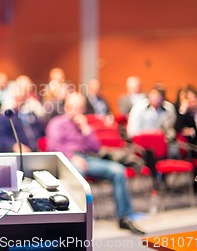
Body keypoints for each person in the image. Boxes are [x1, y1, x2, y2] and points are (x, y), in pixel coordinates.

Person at [46, 92, 145, 234]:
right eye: (74, 107)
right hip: (66, 161)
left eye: (80, 108)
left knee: (118, 171)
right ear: (67, 107)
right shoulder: (57, 123)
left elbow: (96, 148)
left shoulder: (84, 125)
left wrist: (86, 130)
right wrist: (71, 157)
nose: (77, 111)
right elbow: (53, 146)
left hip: (87, 158)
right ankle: (76, 222)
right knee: (78, 173)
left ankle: (125, 217)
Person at [174, 86, 197, 198]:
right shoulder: (186, 117)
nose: (192, 103)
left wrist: (195, 131)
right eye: (189, 101)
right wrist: (182, 110)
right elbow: (177, 129)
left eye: (194, 100)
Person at [127, 83, 178, 158]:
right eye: (154, 95)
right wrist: (148, 138)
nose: (156, 98)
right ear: (149, 95)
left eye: (159, 96)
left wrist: (167, 137)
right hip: (142, 142)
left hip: (162, 142)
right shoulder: (138, 107)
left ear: (163, 98)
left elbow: (171, 129)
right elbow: (132, 131)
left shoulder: (169, 108)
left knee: (174, 151)